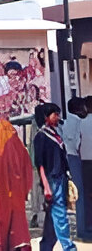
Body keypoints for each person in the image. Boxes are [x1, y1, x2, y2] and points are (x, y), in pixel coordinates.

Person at [34, 102, 77, 251]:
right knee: (60, 215)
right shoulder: (41, 136)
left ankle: (46, 246)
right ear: (46, 117)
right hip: (52, 180)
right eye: (55, 114)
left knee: (53, 217)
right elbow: (40, 164)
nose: (58, 117)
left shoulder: (55, 134)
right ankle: (68, 247)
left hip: (61, 178)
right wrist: (46, 186)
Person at [0, 116, 32, 251]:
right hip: (17, 191)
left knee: (0, 223)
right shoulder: (18, 144)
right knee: (18, 222)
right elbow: (27, 169)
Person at [65, 97, 89, 240]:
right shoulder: (76, 122)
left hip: (72, 157)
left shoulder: (68, 122)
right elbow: (77, 144)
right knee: (80, 195)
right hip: (75, 158)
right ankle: (82, 229)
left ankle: (82, 228)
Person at [79, 97, 92, 239]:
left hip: (86, 162)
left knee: (87, 195)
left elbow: (77, 142)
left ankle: (89, 226)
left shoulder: (81, 123)